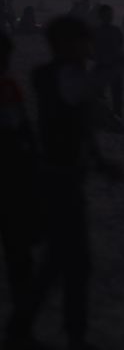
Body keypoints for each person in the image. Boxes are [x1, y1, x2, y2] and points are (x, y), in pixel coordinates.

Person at [7, 17, 124, 350]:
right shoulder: (62, 79)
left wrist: (100, 163)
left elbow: (82, 127)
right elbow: (92, 84)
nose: (89, 49)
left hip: (62, 179)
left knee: (60, 264)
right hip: (60, 183)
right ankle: (62, 333)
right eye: (84, 42)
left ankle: (40, 329)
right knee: (72, 264)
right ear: (68, 44)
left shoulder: (50, 78)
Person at [1, 31, 37, 342]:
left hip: (13, 176)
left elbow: (22, 127)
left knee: (20, 258)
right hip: (12, 176)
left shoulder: (10, 85)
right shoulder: (9, 85)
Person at [93, 4, 124, 117]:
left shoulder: (114, 30)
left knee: (115, 95)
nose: (109, 17)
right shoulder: (98, 31)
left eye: (110, 15)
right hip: (105, 65)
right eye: (107, 15)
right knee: (102, 95)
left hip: (111, 65)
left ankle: (115, 115)